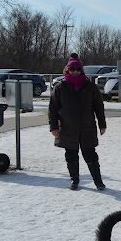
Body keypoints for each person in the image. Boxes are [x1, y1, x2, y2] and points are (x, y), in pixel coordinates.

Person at [48, 53, 107, 190]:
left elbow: (99, 107)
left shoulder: (90, 87)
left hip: (87, 127)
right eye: (72, 69)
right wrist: (54, 126)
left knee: (90, 155)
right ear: (67, 70)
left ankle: (98, 181)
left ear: (81, 70)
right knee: (71, 155)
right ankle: (74, 180)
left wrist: (102, 124)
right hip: (68, 128)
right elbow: (53, 108)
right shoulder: (60, 87)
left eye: (77, 69)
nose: (75, 72)